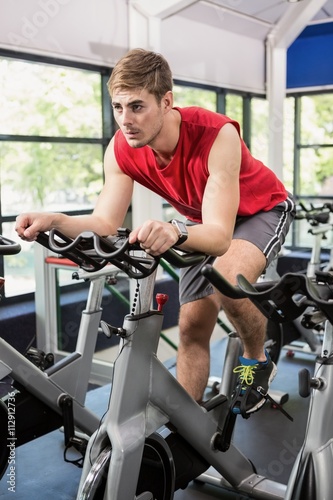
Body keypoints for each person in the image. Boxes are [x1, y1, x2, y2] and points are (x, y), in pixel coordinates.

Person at [15, 48, 296, 417]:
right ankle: (187, 429)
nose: (125, 120)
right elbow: (104, 223)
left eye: (136, 107)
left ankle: (256, 359)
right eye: (117, 107)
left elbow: (219, 238)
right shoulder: (121, 149)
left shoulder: (216, 134)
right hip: (204, 221)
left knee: (228, 278)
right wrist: (53, 219)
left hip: (261, 209)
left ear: (166, 102)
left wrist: (176, 230)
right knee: (192, 325)